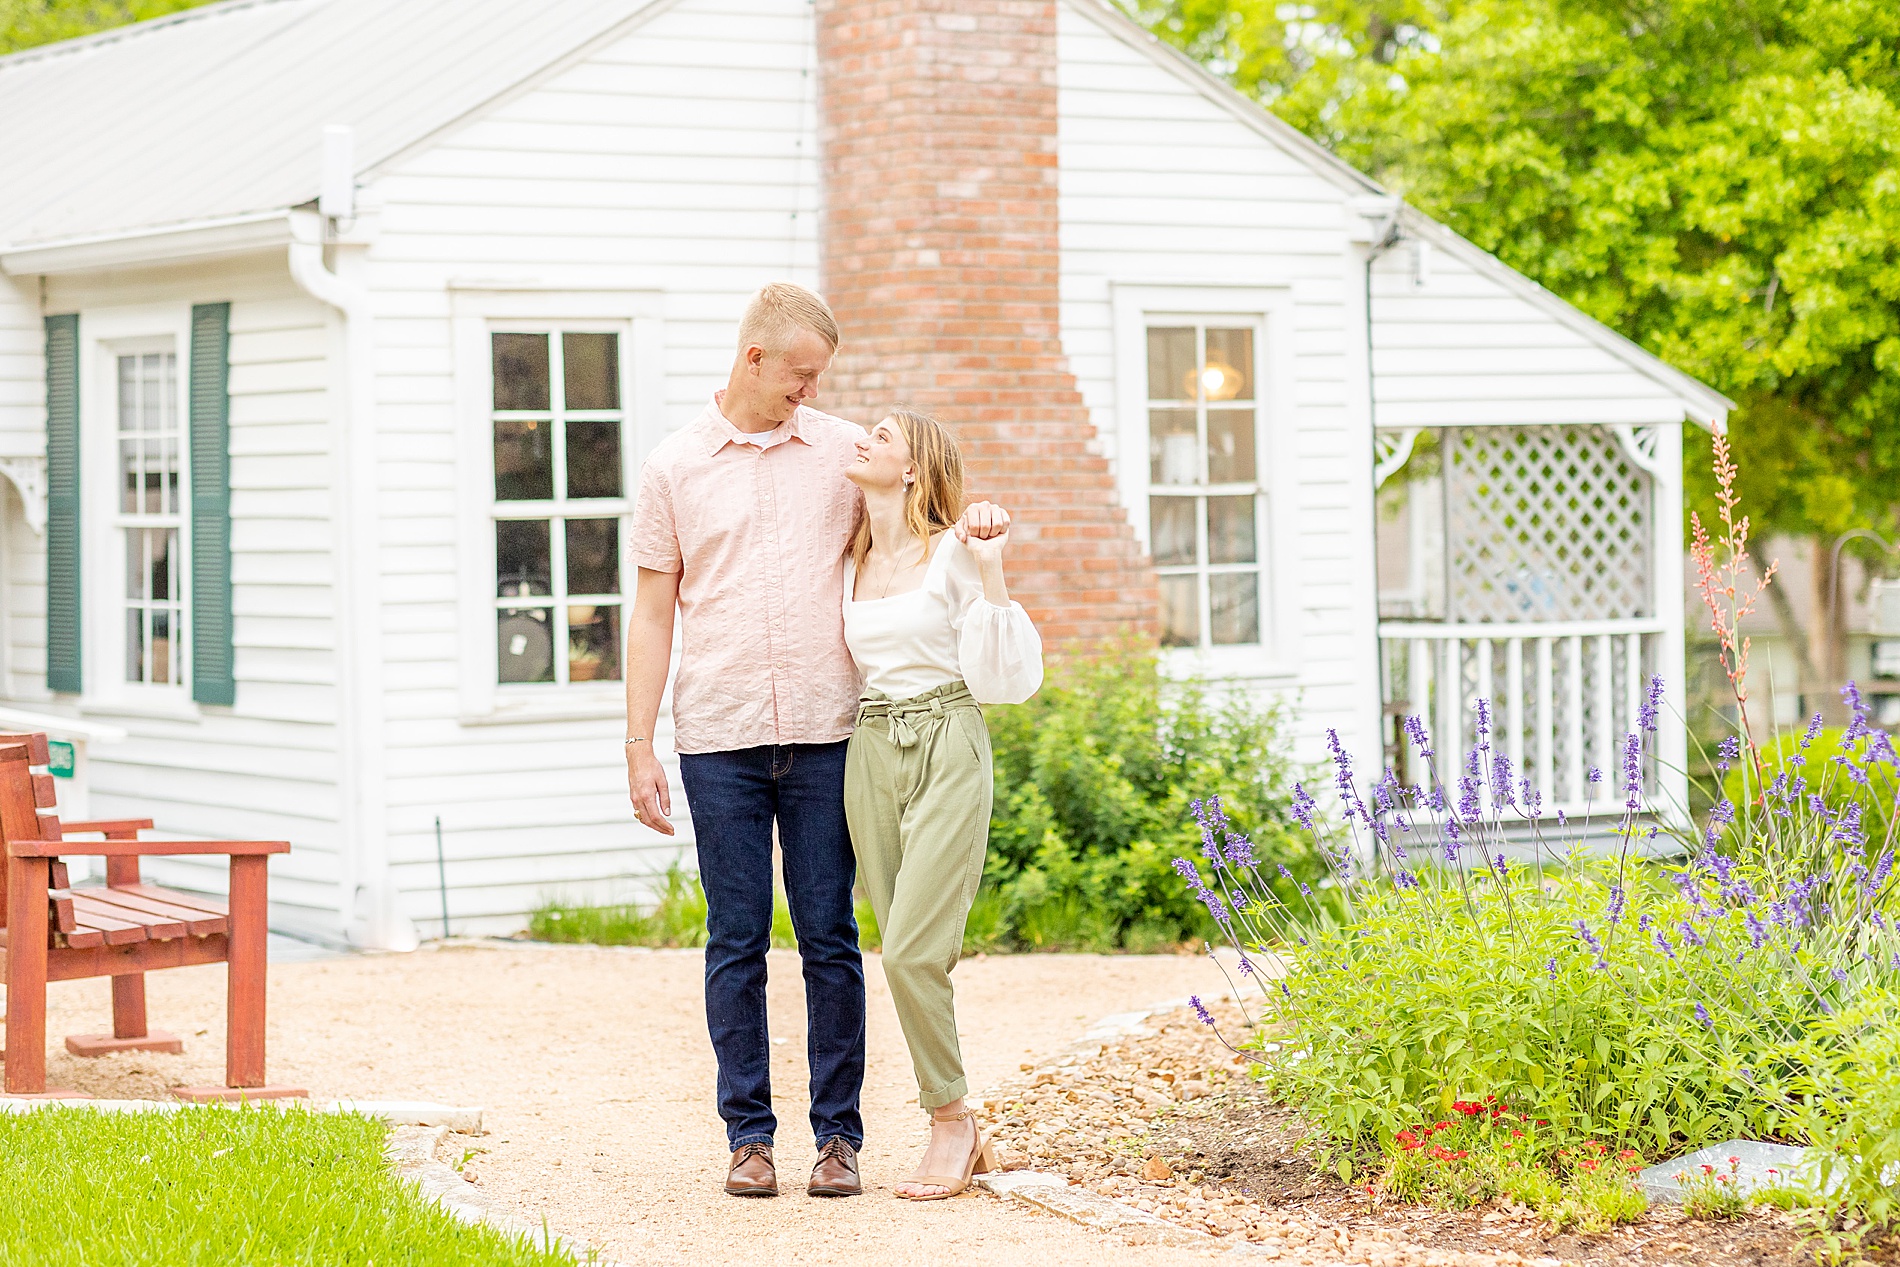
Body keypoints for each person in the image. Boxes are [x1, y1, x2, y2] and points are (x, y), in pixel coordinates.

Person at [623, 284, 1007, 1200]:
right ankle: (748, 1137)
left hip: (835, 735)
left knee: (831, 938)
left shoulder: (842, 451)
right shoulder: (675, 465)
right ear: (754, 358)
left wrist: (981, 521)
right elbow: (650, 613)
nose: (811, 389)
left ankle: (840, 1138)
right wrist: (640, 743)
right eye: (800, 373)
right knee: (735, 939)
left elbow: (924, 520)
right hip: (718, 739)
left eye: (819, 377)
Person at [841, 408, 1043, 1201]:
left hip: (947, 735)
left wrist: (990, 564)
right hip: (871, 746)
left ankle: (951, 1117)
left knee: (911, 952)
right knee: (897, 945)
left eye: (881, 436)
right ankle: (957, 1118)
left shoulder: (954, 551)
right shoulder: (847, 558)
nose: (862, 441)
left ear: (915, 468)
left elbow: (1006, 681)